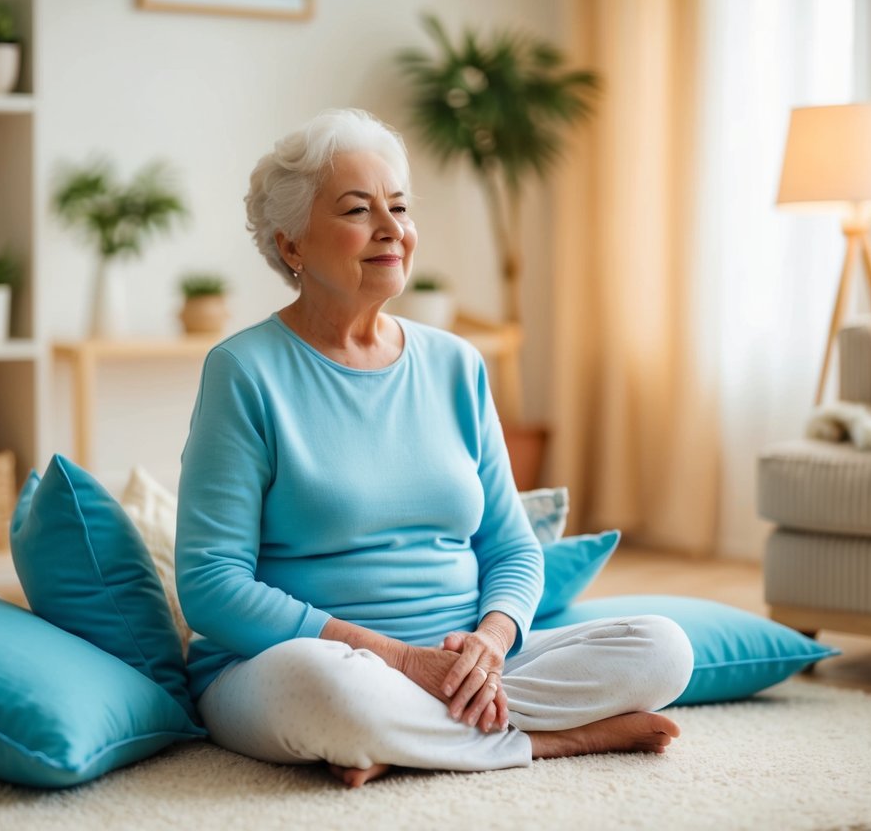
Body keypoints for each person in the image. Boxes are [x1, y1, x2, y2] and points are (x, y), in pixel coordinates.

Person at [175, 108, 694, 788]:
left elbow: (510, 546)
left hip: (467, 667)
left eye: (398, 207)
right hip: (310, 665)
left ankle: (414, 739)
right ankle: (555, 742)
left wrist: (489, 642)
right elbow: (211, 587)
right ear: (292, 244)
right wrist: (398, 661)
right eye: (358, 210)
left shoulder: (455, 363)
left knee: (661, 648)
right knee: (334, 696)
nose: (391, 229)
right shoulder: (244, 370)